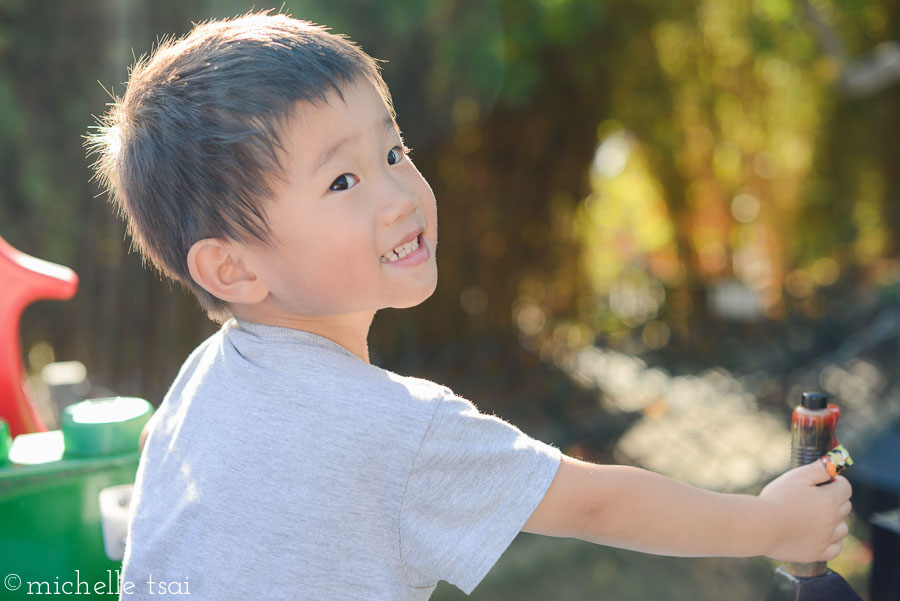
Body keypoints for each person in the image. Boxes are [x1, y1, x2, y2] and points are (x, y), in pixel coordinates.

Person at [88, 12, 852, 600]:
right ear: (232, 266)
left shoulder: (201, 380)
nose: (398, 196)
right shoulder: (395, 429)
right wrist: (772, 522)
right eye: (342, 182)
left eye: (392, 153)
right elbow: (598, 505)